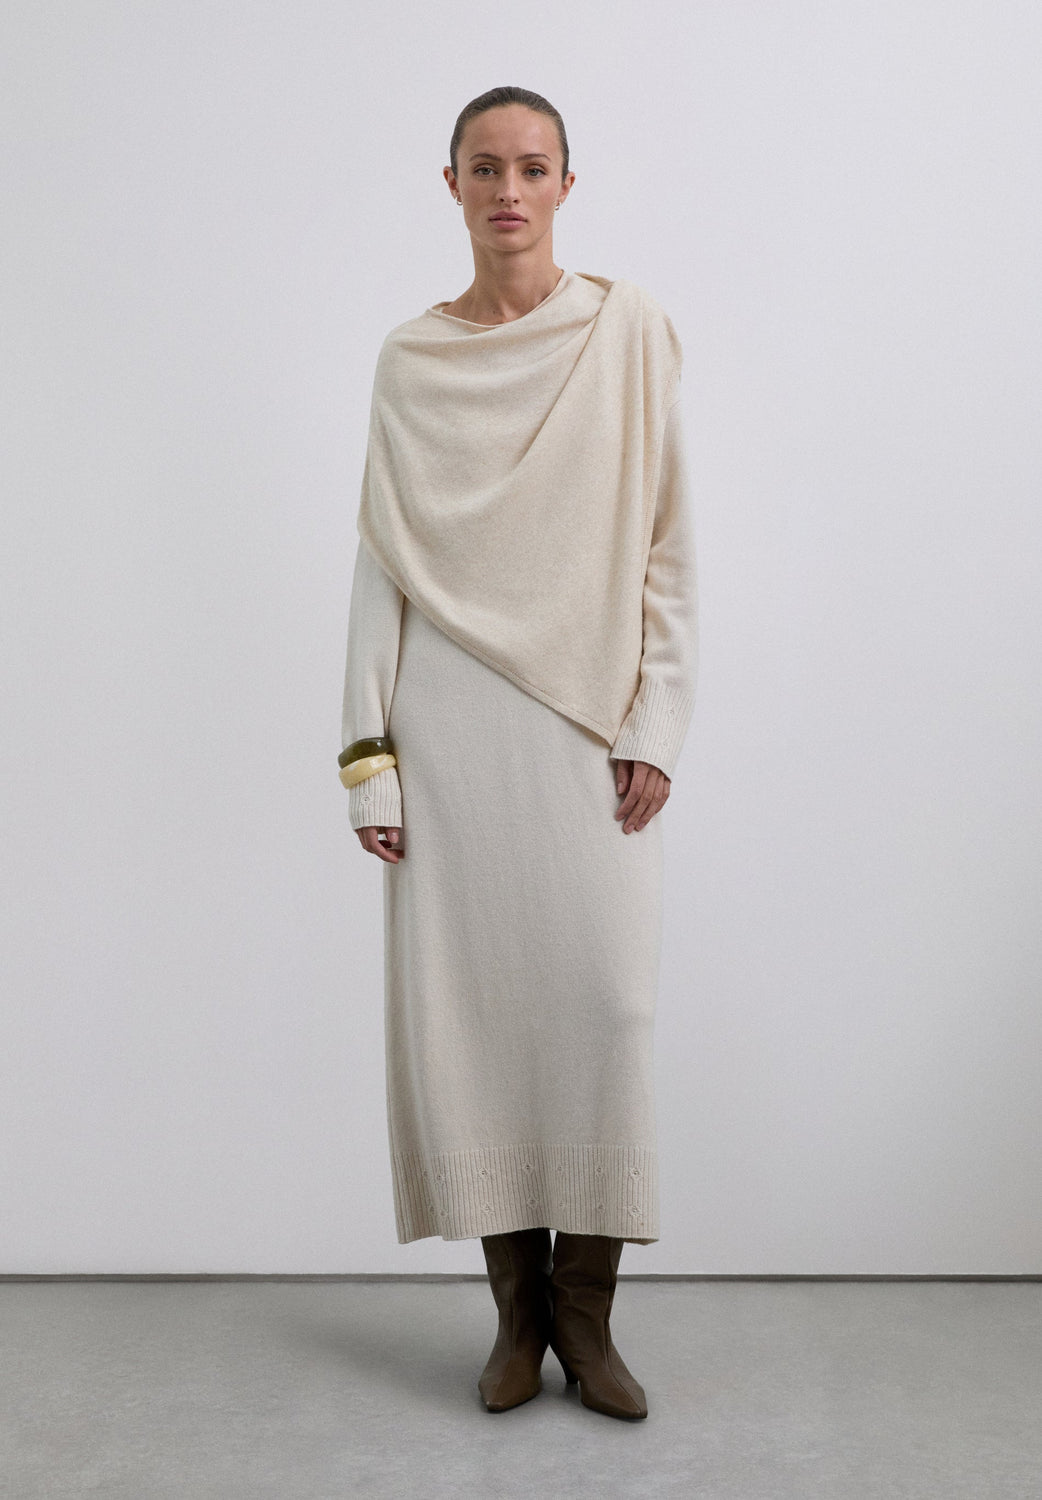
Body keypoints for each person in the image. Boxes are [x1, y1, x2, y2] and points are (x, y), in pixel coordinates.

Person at [339, 85, 698, 1422]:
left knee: (605, 1010)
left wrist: (655, 719)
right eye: (484, 168)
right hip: (451, 734)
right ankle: (515, 1321)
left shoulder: (627, 331)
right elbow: (382, 567)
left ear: (564, 184)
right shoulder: (410, 360)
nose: (508, 190)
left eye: (531, 167)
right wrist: (369, 757)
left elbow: (667, 544)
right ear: (451, 184)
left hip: (586, 725)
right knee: (474, 1020)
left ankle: (587, 1320)